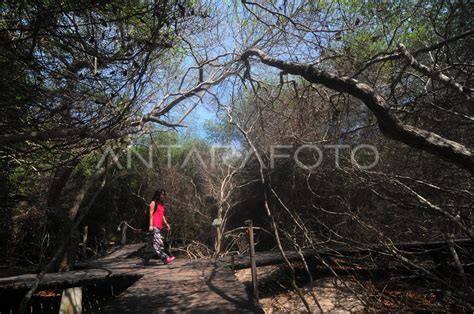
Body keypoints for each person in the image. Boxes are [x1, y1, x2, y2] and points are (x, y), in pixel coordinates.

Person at [143, 188, 175, 265]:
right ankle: (165, 258)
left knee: (151, 245)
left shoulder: (161, 204)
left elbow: (162, 216)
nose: (163, 196)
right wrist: (150, 225)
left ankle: (145, 259)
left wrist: (166, 224)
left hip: (158, 226)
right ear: (158, 195)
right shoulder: (153, 203)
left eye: (164, 194)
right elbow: (150, 215)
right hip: (153, 226)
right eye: (162, 194)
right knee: (158, 243)